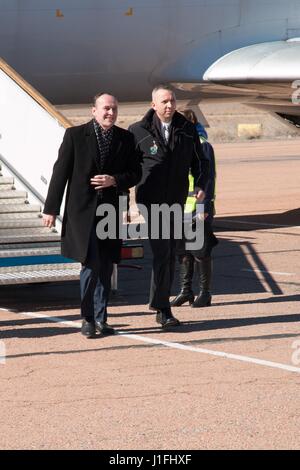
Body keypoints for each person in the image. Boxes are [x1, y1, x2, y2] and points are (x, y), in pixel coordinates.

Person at [43, 93, 141, 338]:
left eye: (114, 109)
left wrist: (114, 180)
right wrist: (51, 209)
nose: (110, 113)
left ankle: (101, 318)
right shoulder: (75, 136)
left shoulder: (126, 138)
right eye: (106, 108)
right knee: (91, 263)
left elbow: (136, 173)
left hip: (110, 213)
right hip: (82, 213)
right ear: (93, 110)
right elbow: (60, 173)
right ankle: (87, 318)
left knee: (106, 266)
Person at [129, 85, 209, 328]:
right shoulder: (138, 131)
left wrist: (201, 183)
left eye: (172, 101)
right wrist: (123, 202)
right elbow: (126, 169)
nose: (169, 105)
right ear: (153, 105)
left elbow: (200, 161)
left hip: (175, 200)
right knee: (163, 251)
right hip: (150, 200)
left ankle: (159, 304)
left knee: (168, 252)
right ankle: (163, 309)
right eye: (164, 101)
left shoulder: (186, 129)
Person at [171, 109, 217, 308]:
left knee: (200, 252)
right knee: (183, 252)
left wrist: (204, 207)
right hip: (180, 208)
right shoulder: (179, 144)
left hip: (197, 208)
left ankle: (205, 293)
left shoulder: (203, 146)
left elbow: (208, 179)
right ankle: (185, 290)